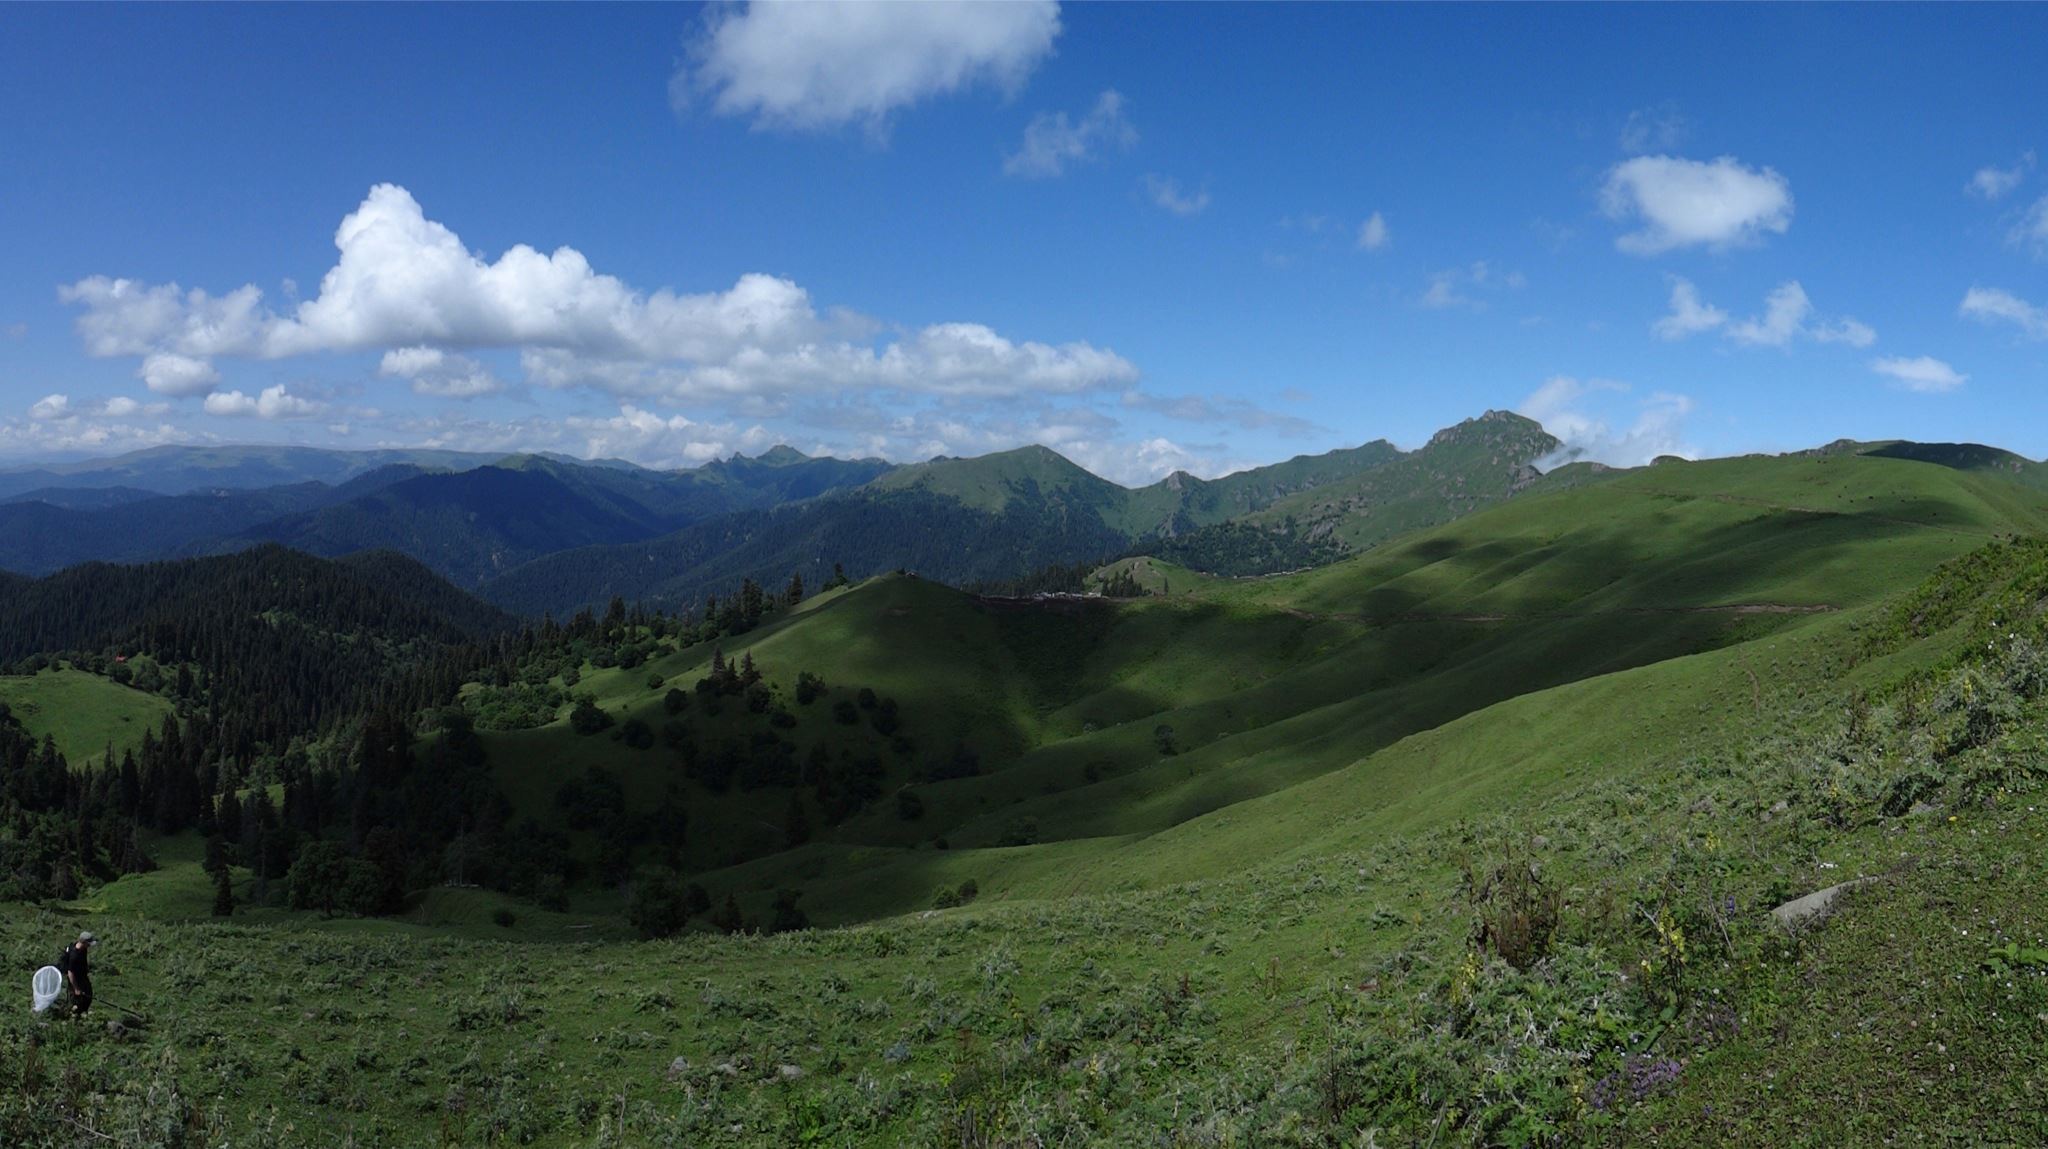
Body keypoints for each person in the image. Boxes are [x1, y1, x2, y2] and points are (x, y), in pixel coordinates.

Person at [56, 930, 96, 1017]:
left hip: (83, 976)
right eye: (88, 943)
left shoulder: (83, 949)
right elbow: (70, 972)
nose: (89, 946)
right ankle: (74, 1015)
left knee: (88, 996)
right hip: (76, 979)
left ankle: (83, 1013)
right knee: (78, 1000)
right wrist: (76, 988)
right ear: (84, 942)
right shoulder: (74, 956)